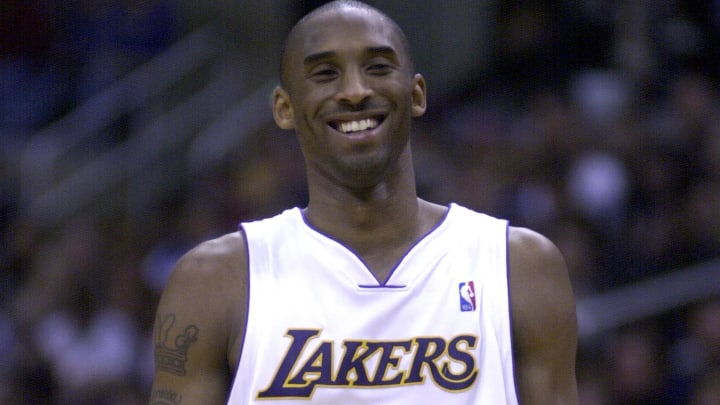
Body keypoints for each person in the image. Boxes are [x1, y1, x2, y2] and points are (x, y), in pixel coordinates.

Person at [149, 1, 578, 403]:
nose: (354, 91)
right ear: (284, 108)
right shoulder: (214, 281)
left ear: (416, 95)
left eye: (376, 67)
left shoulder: (518, 267)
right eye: (324, 74)